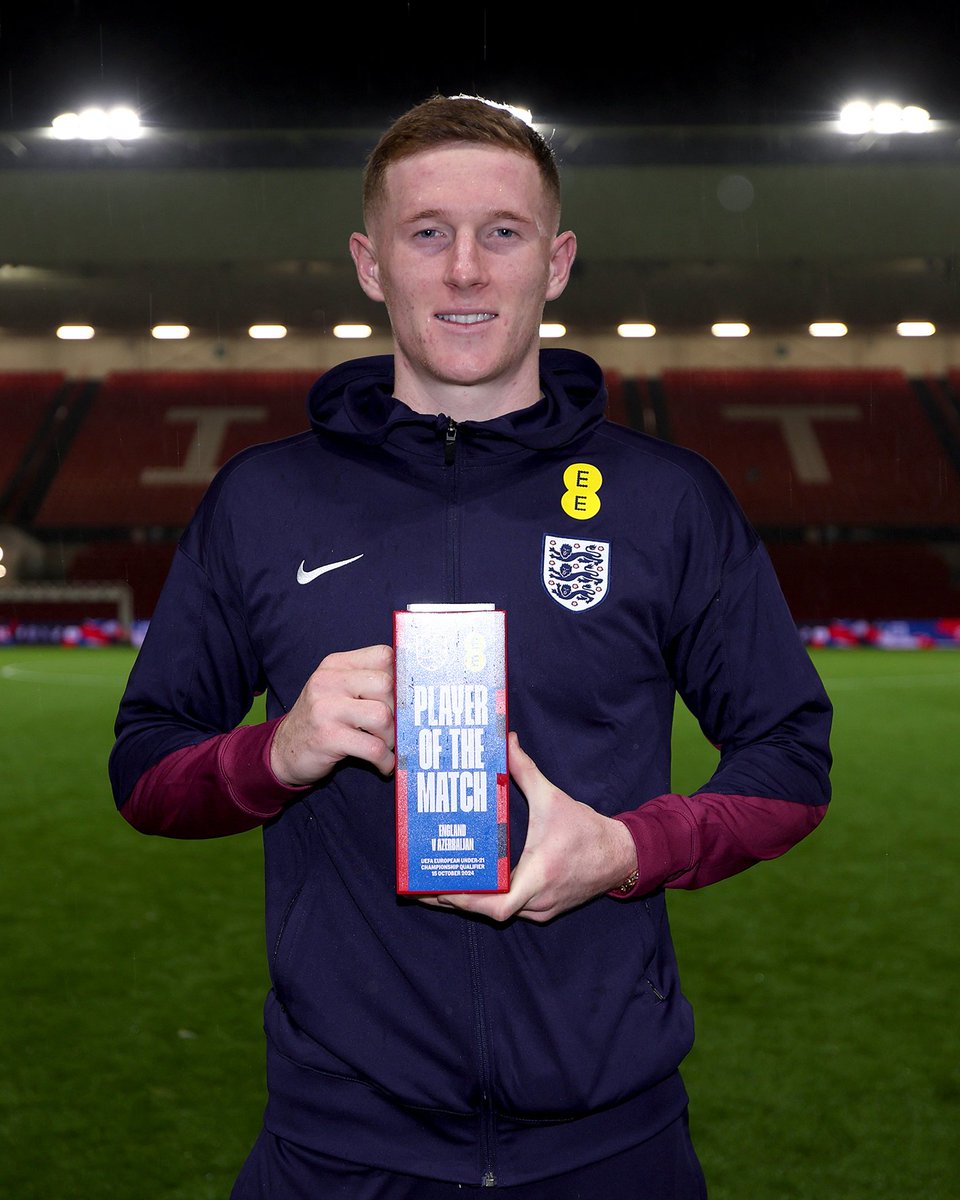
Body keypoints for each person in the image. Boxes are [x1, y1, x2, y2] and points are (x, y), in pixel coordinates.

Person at [109, 94, 832, 1198]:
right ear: (368, 262)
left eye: (503, 232)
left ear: (558, 261)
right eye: (426, 233)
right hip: (337, 1149)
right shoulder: (262, 502)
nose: (464, 271)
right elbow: (143, 771)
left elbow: (792, 762)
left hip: (614, 1144)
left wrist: (629, 851)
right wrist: (277, 753)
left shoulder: (668, 500)